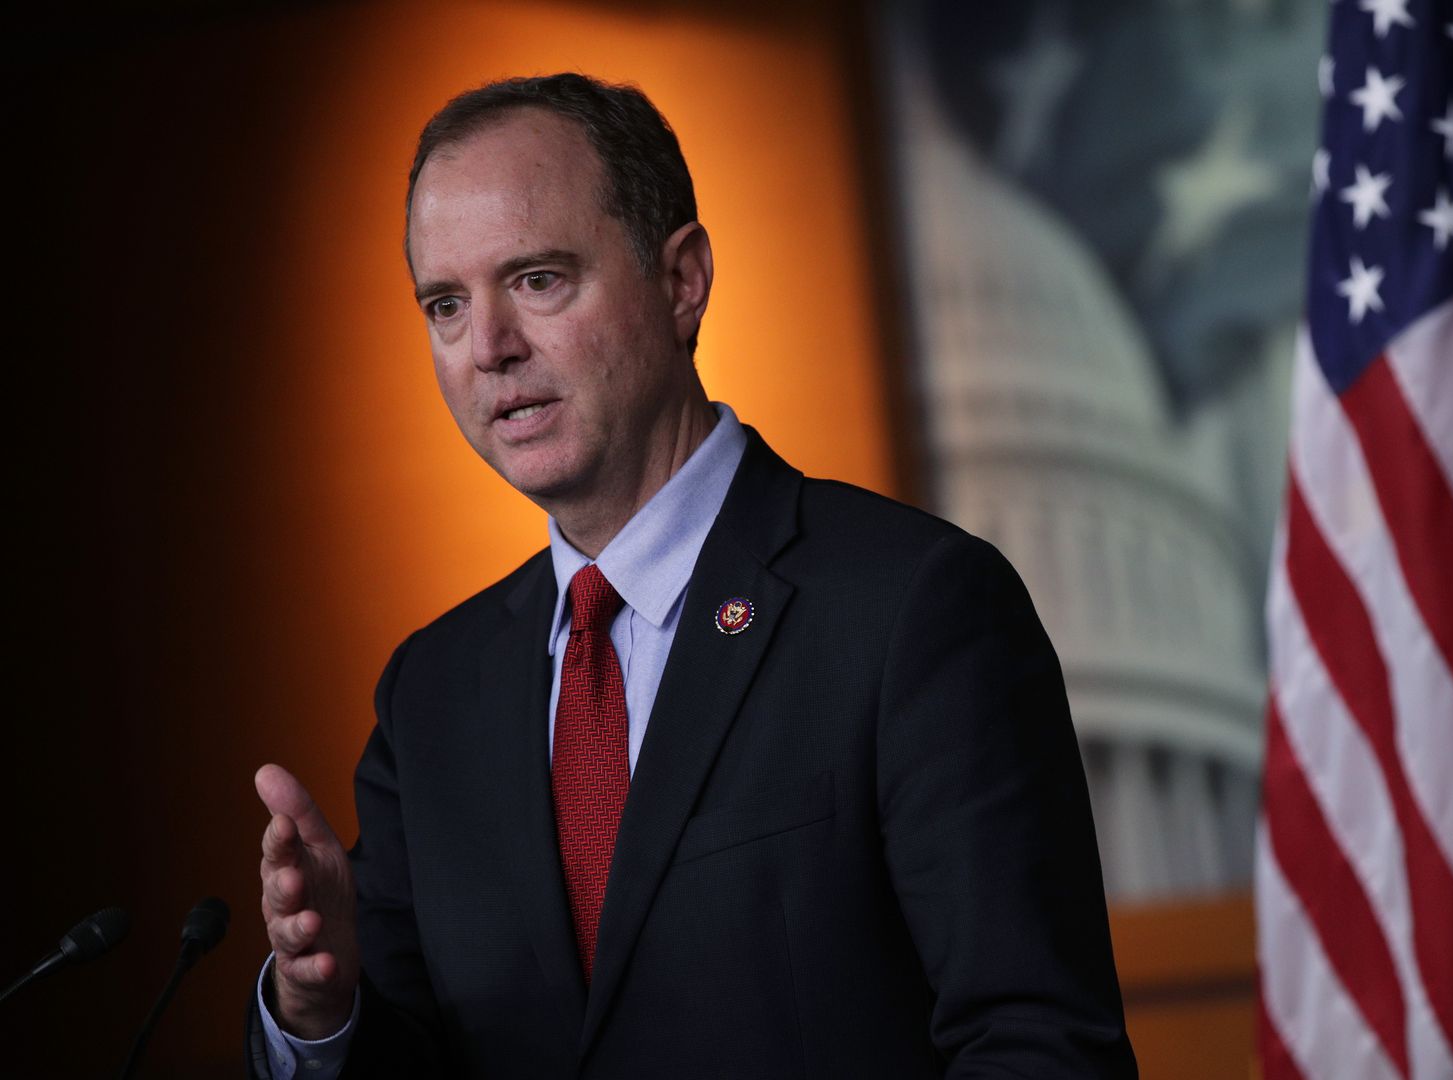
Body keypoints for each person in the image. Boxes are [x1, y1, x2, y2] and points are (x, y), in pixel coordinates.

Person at [245, 73, 1136, 1079]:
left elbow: (1038, 1046)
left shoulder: (913, 610)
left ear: (682, 281)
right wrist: (317, 1010)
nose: (488, 347)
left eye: (537, 280)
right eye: (445, 304)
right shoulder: (432, 696)